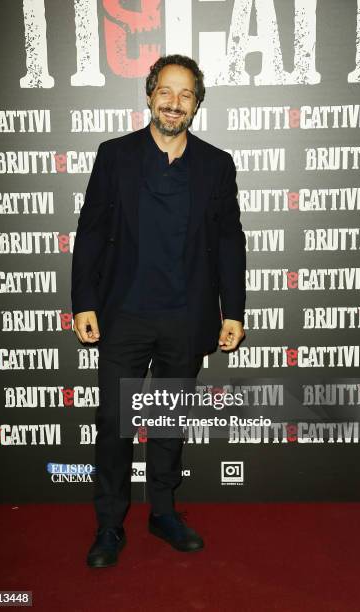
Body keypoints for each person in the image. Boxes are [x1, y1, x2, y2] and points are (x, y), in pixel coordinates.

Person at [71, 54, 246, 568]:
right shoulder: (115, 156)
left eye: (185, 95)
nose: (174, 103)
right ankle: (109, 525)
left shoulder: (216, 164)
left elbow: (229, 241)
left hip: (186, 318)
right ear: (149, 95)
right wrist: (83, 301)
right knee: (114, 424)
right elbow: (90, 234)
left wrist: (231, 309)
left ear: (197, 103)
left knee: (170, 422)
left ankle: (164, 512)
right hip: (123, 315)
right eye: (165, 92)